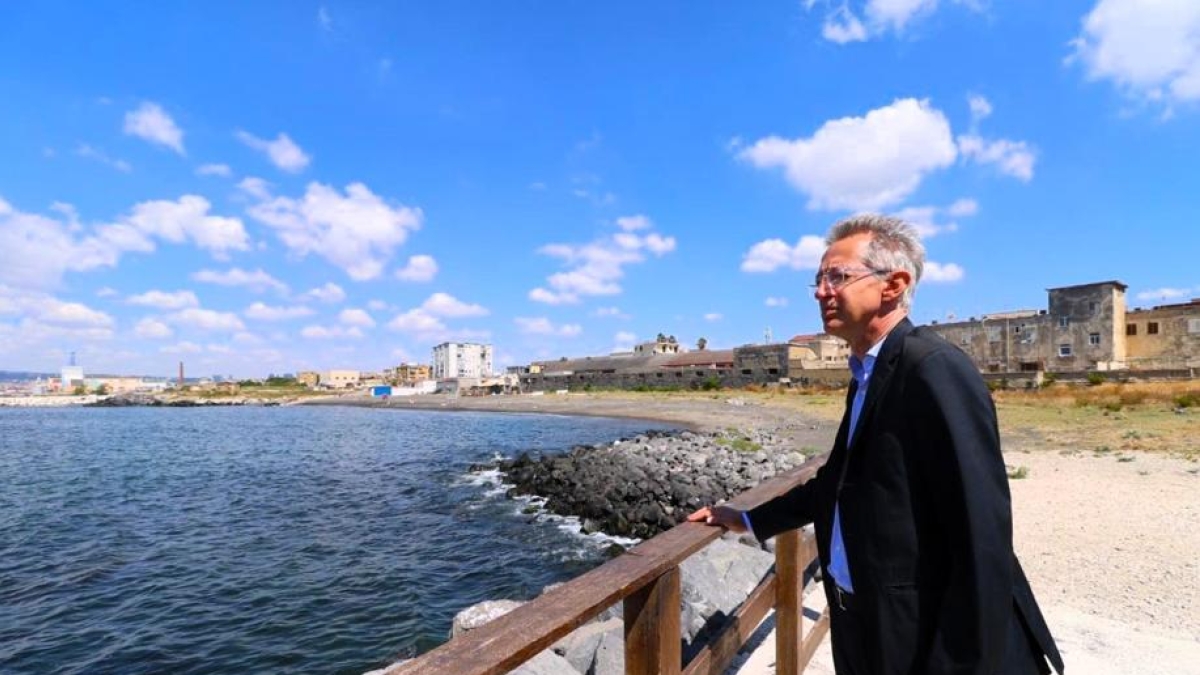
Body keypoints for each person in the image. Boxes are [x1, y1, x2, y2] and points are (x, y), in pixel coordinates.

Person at [688, 214, 1064, 675]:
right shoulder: (869, 374)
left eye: (838, 276)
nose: (821, 291)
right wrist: (746, 518)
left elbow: (980, 531)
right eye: (819, 278)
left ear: (893, 285)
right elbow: (839, 483)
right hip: (861, 619)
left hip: (917, 630)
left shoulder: (932, 368)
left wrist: (957, 663)